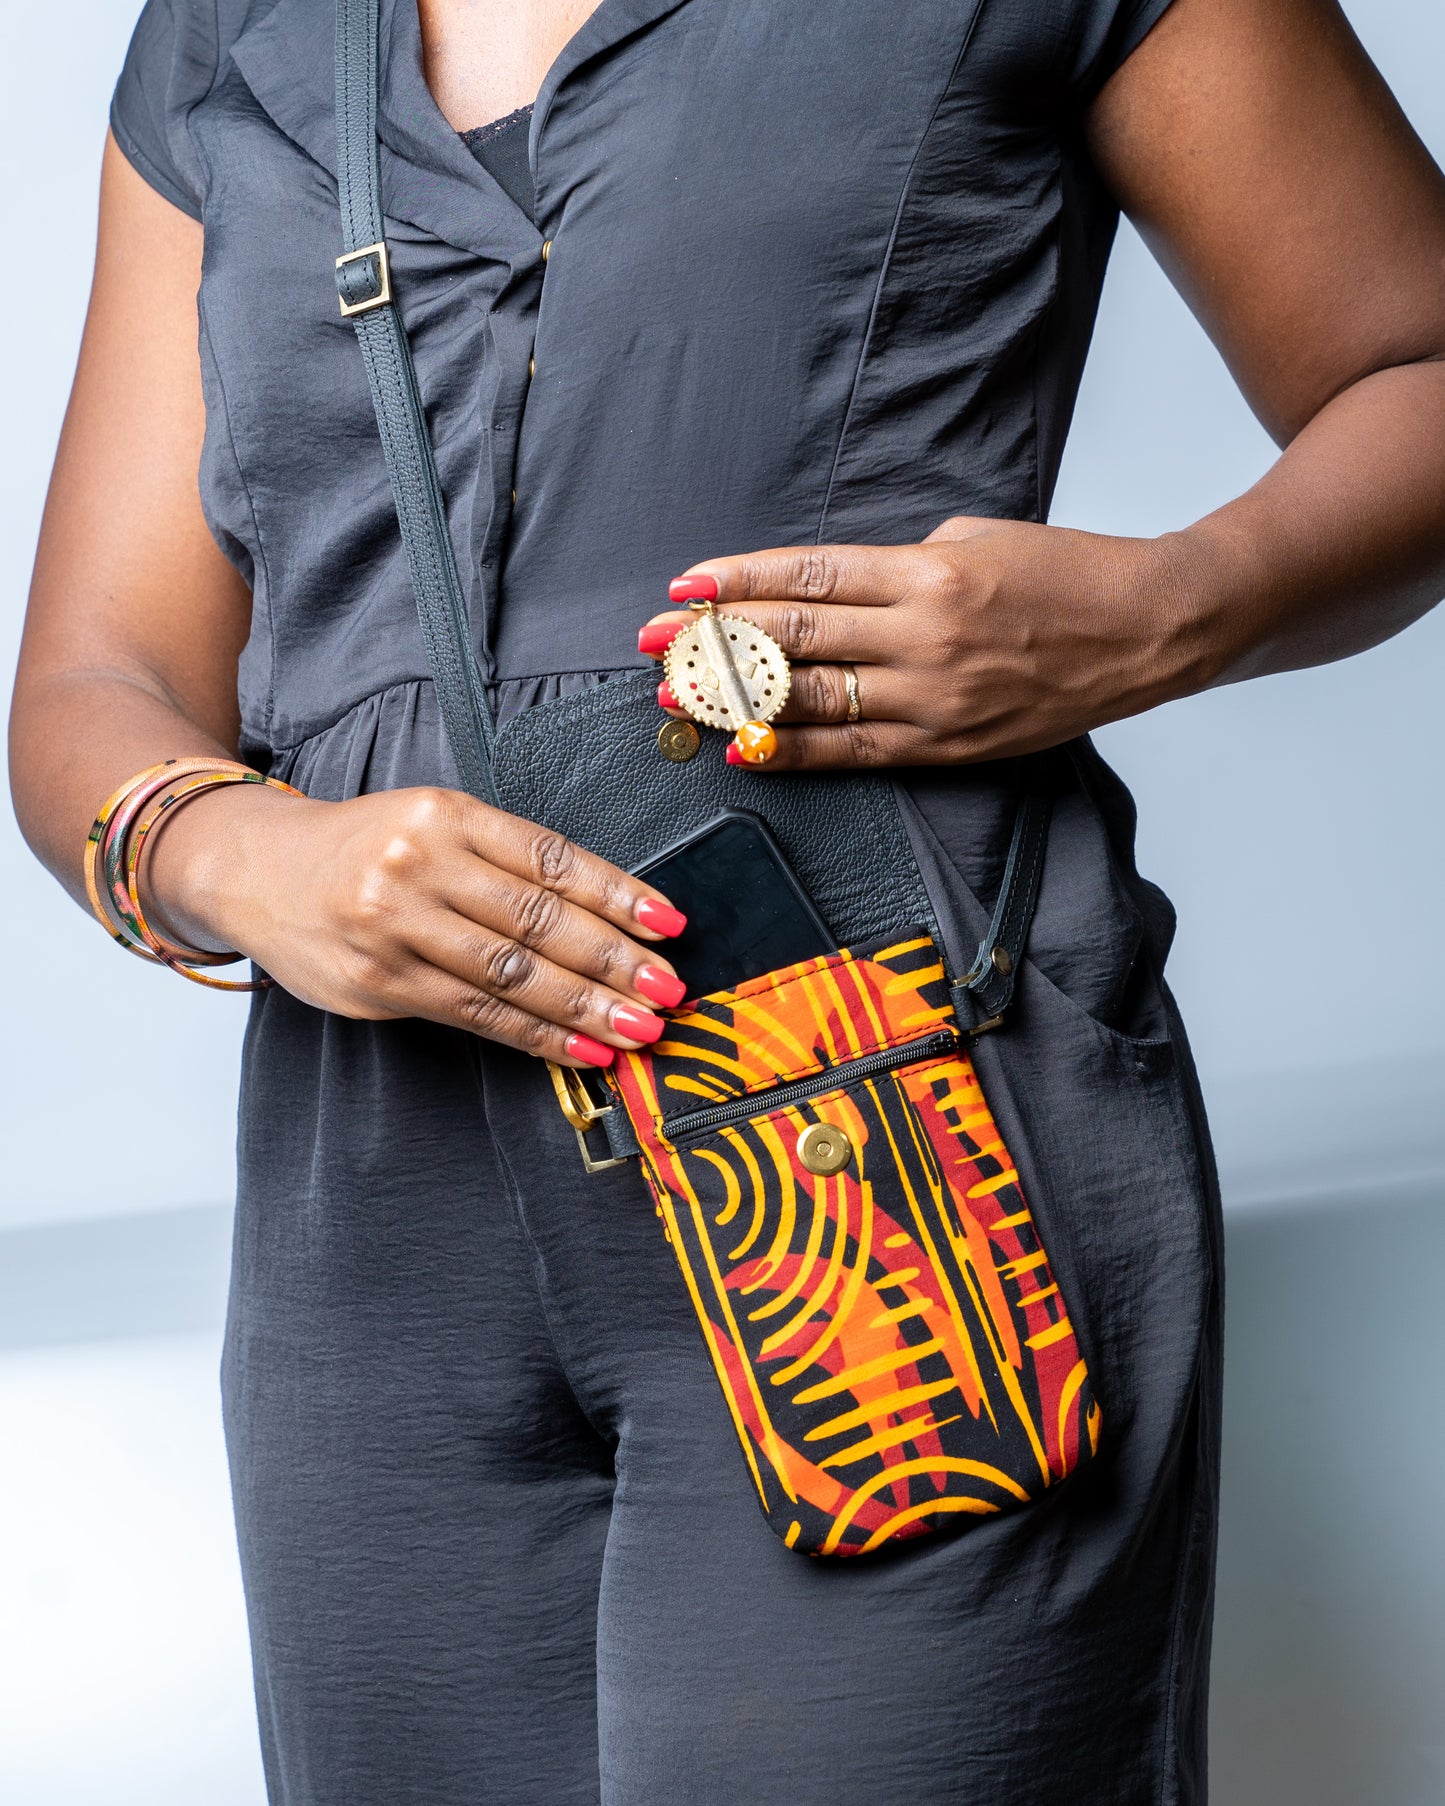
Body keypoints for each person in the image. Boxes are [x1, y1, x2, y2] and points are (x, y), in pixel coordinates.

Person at [10, 0, 1445, 1798]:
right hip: (369, 1202)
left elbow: (1415, 365)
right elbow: (92, 673)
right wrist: (237, 855)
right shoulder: (231, 33)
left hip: (888, 1137)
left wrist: (1162, 610)